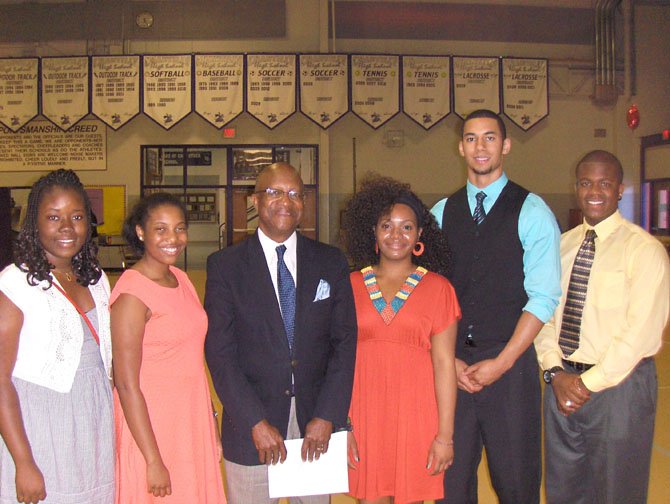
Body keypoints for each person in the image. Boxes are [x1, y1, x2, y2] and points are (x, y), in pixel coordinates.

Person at [204, 162, 357, 504]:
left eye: (294, 194)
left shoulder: (330, 262)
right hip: (251, 430)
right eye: (273, 192)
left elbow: (344, 345)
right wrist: (255, 421)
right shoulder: (225, 267)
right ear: (255, 201)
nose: (284, 201)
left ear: (304, 203)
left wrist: (328, 415)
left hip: (314, 428)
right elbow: (220, 355)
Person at [430, 109, 561, 504]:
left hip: (509, 370)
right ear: (460, 147)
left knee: (516, 485)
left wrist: (501, 363)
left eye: (490, 138)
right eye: (471, 138)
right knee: (449, 488)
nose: (480, 146)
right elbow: (429, 297)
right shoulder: (439, 214)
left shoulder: (533, 211)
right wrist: (447, 362)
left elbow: (543, 298)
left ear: (505, 145)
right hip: (451, 370)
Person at [535, 150, 670, 503]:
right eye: (585, 183)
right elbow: (544, 316)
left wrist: (584, 384)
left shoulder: (644, 251)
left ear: (620, 189)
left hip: (619, 390)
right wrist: (555, 372)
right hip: (562, 386)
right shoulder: (561, 247)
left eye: (604, 183)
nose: (594, 191)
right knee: (563, 491)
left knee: (617, 493)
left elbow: (640, 334)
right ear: (576, 188)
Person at [342, 176, 460, 504]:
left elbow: (444, 365)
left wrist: (445, 436)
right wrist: (343, 424)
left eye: (407, 227)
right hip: (364, 415)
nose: (397, 235)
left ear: (420, 234)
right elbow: (336, 363)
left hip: (416, 416)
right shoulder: (349, 285)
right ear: (373, 232)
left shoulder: (439, 289)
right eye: (387, 226)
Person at [0, 169, 114, 504]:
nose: (67, 227)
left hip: (93, 425)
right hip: (41, 429)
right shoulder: (14, 285)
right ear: (34, 224)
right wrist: (23, 462)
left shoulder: (97, 280)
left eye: (77, 216)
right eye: (54, 217)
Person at [111, 193, 225, 503]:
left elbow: (191, 362)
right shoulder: (133, 293)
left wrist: (210, 421)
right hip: (152, 427)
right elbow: (124, 383)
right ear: (140, 232)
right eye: (160, 229)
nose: (172, 238)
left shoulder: (182, 279)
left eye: (179, 228)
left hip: (189, 420)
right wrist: (152, 459)